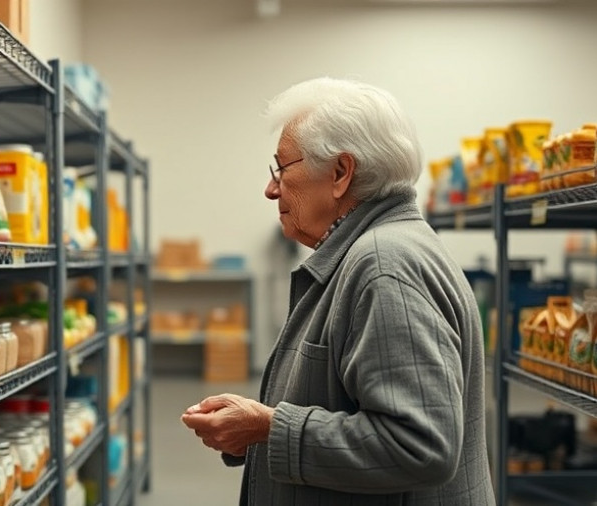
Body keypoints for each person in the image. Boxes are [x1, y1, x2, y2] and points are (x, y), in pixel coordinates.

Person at [180, 78, 495, 505]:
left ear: (340, 173)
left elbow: (419, 445)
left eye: (282, 168)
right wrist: (254, 430)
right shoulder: (371, 253)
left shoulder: (384, 265)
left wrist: (269, 428)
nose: (271, 188)